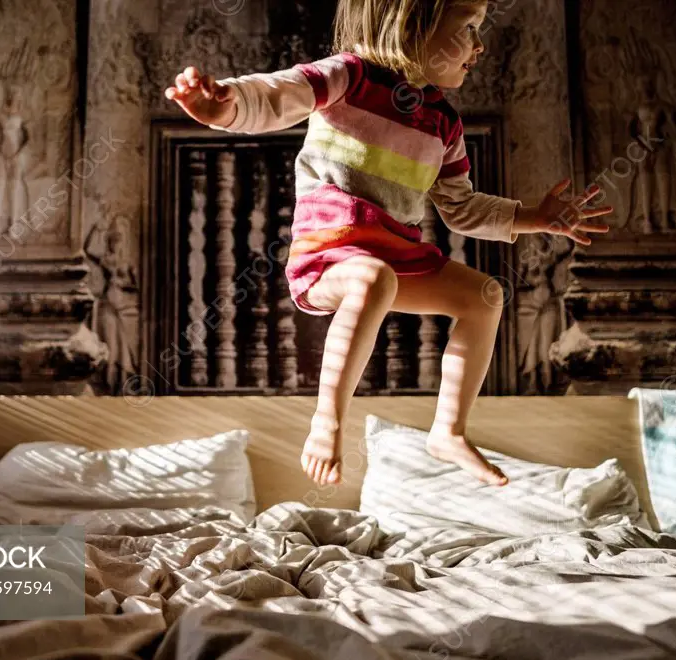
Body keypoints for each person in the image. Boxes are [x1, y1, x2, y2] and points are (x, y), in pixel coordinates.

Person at [164, 0, 612, 487]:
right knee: (371, 278)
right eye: (468, 29)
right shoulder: (350, 77)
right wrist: (225, 103)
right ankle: (327, 421)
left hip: (397, 256)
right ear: (412, 25)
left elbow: (461, 208)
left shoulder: (443, 122)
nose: (480, 45)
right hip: (329, 252)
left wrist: (536, 218)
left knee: (485, 296)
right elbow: (279, 93)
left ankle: (449, 431)